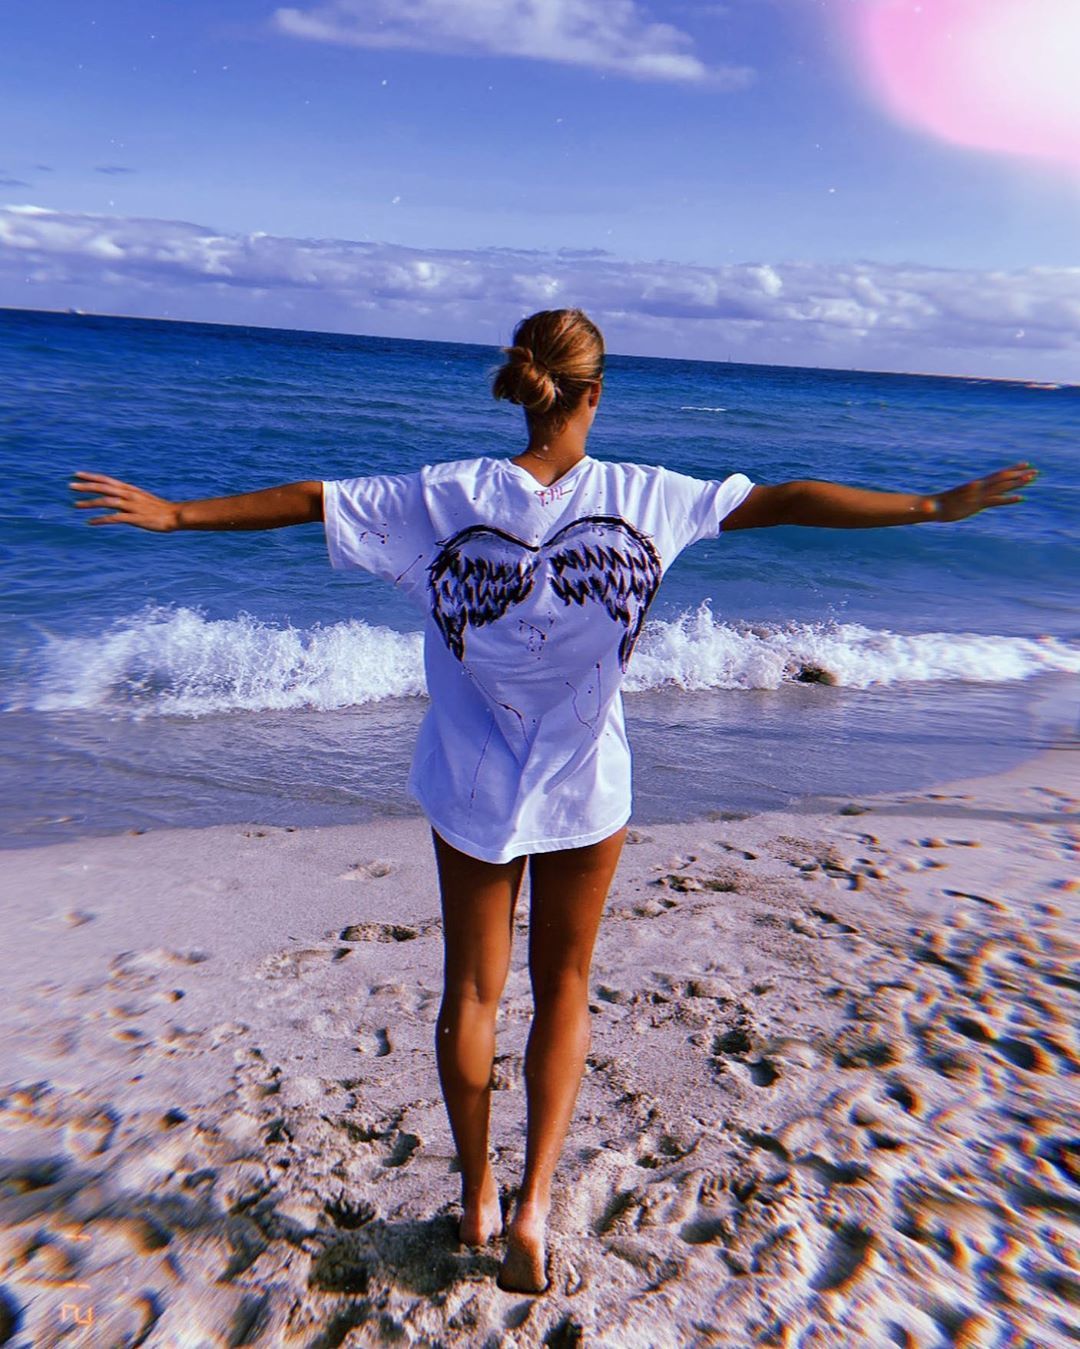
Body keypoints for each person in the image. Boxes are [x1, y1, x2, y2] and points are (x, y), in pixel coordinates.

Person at [70, 307, 1036, 1293]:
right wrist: (931, 505)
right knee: (565, 985)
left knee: (471, 992)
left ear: (523, 386)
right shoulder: (647, 496)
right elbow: (787, 499)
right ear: (594, 393)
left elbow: (313, 498)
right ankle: (534, 1206)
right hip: (586, 786)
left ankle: (477, 1195)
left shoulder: (446, 493)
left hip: (471, 787)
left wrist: (178, 515)